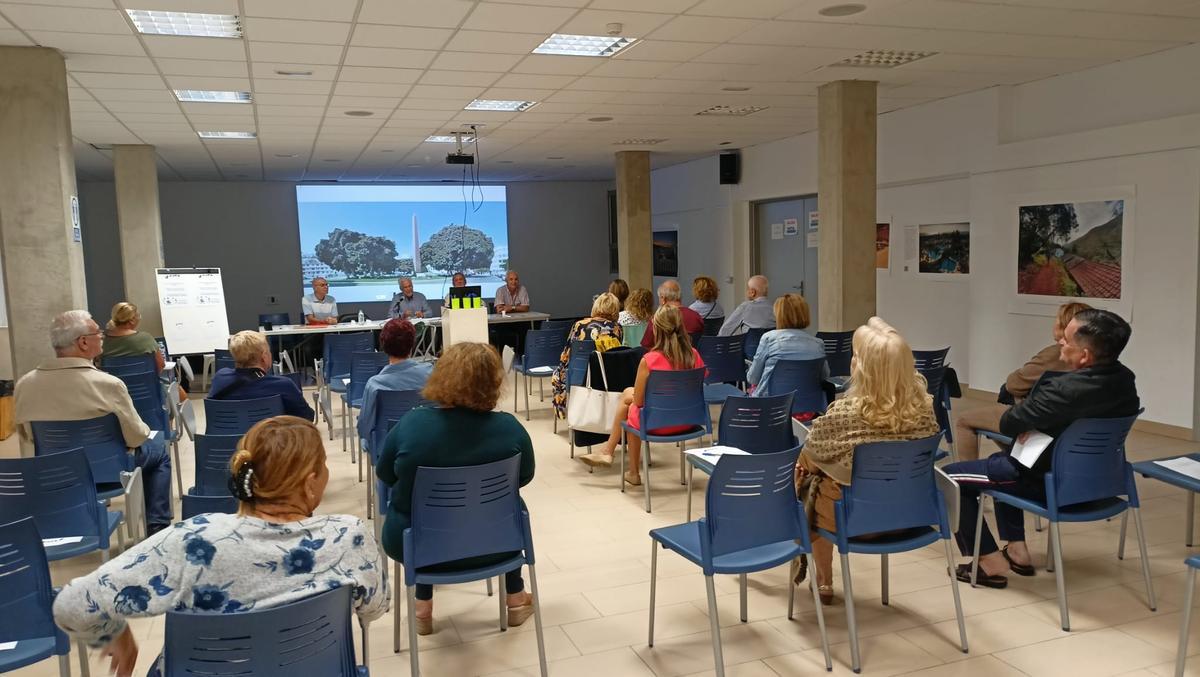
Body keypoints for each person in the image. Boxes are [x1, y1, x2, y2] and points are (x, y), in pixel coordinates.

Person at [53, 416, 388, 677]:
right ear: (310, 482)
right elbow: (374, 608)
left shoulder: (191, 540)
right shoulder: (348, 537)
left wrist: (114, 632)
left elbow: (71, 605)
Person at [944, 309, 1139, 589]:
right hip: (1101, 485)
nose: (1060, 342)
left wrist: (1031, 421)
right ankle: (1016, 550)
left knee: (949, 479)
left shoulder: (1062, 389)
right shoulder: (1124, 380)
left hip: (1047, 483)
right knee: (1001, 461)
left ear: (1084, 356)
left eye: (1067, 340)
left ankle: (988, 562)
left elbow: (1010, 422)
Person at [376, 343, 536, 635]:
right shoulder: (510, 429)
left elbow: (385, 473)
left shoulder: (412, 424)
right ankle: (515, 598)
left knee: (423, 509)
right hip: (498, 546)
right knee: (509, 505)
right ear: (494, 383)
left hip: (416, 546)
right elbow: (524, 478)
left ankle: (422, 607)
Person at [794, 318, 940, 604]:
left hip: (856, 522)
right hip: (912, 516)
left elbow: (808, 460)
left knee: (810, 481)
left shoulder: (844, 414)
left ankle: (823, 580)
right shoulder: (925, 409)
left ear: (861, 368)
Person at [14, 310, 175, 533]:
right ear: (82, 342)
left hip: (56, 472)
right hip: (110, 469)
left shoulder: (24, 385)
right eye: (96, 332)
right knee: (159, 455)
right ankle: (158, 529)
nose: (101, 336)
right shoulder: (107, 384)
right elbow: (136, 436)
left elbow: (27, 437)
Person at [579, 306, 706, 486]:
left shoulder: (649, 360)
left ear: (656, 329)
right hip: (688, 421)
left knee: (631, 406)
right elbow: (697, 388)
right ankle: (608, 453)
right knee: (628, 400)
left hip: (657, 424)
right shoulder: (694, 355)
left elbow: (638, 401)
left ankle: (629, 469)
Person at [954, 302, 1090, 460]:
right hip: (1070, 425)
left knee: (964, 420)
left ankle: (968, 475)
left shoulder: (1055, 354)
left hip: (1038, 420)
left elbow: (1014, 385)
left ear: (1064, 327)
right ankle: (1018, 457)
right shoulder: (1095, 360)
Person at [209, 330, 315, 421]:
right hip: (269, 443)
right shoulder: (283, 384)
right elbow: (306, 418)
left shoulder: (220, 378)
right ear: (264, 357)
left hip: (225, 443)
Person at [550, 292, 624, 419]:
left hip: (578, 374)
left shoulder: (579, 325)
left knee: (558, 373)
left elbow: (566, 354)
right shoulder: (617, 328)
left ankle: (564, 411)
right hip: (604, 376)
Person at [356, 319, 433, 441]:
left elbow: (364, 430)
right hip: (428, 442)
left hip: (388, 450)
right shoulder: (432, 374)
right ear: (412, 344)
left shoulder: (375, 384)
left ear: (383, 345)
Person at [747, 294, 827, 397]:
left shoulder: (768, 339)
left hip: (773, 407)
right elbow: (824, 376)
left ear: (778, 315)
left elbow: (753, 378)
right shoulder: (818, 344)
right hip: (808, 406)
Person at [101, 301, 165, 373]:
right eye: (138, 316)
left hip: (114, 384)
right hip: (146, 383)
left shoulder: (102, 342)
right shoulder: (146, 338)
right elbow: (161, 365)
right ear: (132, 320)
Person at [640, 280, 704, 349]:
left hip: (665, 358)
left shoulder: (657, 319)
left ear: (663, 298)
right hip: (690, 358)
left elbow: (646, 346)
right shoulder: (696, 316)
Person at [491, 270, 531, 355]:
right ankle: (503, 357)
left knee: (526, 328)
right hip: (504, 322)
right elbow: (500, 309)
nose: (514, 282)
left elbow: (526, 307)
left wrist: (511, 307)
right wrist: (518, 308)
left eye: (516, 279)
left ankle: (522, 356)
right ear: (506, 281)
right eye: (511, 279)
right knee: (502, 331)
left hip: (518, 322)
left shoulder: (522, 289)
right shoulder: (500, 290)